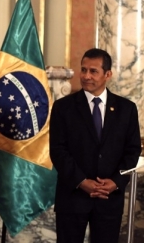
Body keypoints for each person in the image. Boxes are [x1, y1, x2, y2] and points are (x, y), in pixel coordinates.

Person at [49, 48, 141, 243]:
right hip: (72, 198)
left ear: (108, 74)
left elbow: (132, 151)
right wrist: (82, 181)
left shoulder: (126, 109)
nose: (86, 76)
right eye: (83, 70)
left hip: (109, 200)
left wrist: (115, 182)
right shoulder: (63, 107)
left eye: (93, 71)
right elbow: (58, 150)